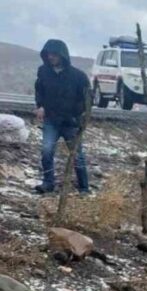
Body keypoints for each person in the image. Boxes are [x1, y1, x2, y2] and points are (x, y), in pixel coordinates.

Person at [33, 39, 90, 195]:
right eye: (48, 54)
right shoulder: (43, 71)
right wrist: (40, 106)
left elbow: (86, 100)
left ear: (62, 55)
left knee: (77, 156)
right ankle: (48, 183)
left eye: (54, 54)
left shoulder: (78, 76)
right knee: (46, 151)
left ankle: (84, 188)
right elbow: (39, 90)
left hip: (71, 123)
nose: (51, 57)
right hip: (51, 120)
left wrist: (78, 116)